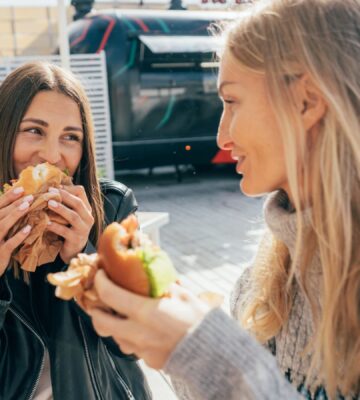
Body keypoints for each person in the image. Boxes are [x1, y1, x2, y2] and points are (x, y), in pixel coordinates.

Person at [87, 0, 360, 399]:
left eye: (231, 102)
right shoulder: (263, 279)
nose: (221, 137)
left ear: (307, 101)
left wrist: (210, 355)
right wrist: (175, 345)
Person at [0, 61, 152, 400]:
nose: (52, 156)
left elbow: (134, 344)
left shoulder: (112, 207)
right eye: (34, 131)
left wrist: (85, 258)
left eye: (70, 137)